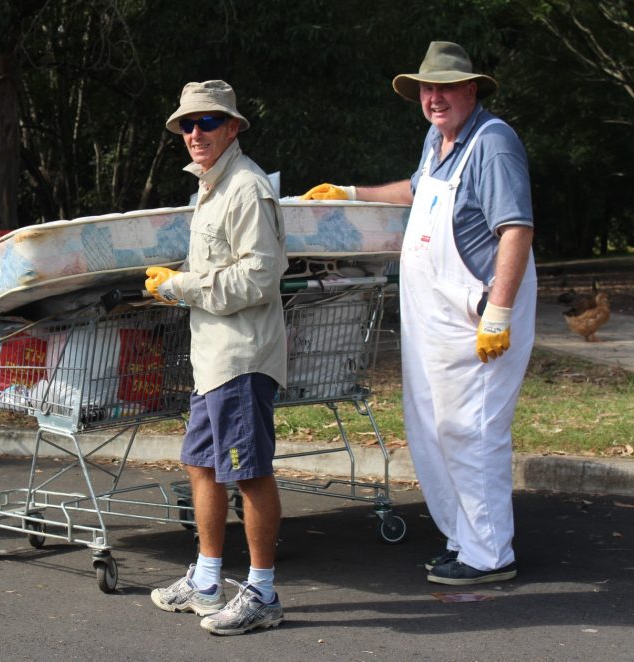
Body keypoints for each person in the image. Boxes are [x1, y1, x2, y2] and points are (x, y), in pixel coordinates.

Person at [302, 41, 537, 585]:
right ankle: (463, 539)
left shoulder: (493, 143)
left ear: (471, 90)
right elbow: (416, 188)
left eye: (446, 87)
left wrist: (498, 312)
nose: (434, 98)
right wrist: (352, 193)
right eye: (427, 88)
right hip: (433, 316)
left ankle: (490, 555)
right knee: (430, 426)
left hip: (476, 311)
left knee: (470, 429)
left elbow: (516, 229)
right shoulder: (438, 137)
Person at [145, 80, 288, 634]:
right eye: (187, 124)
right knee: (201, 464)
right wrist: (177, 284)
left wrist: (181, 285)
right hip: (214, 359)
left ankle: (262, 593)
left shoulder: (246, 188)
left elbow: (260, 274)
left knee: (247, 473)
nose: (196, 133)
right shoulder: (213, 187)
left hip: (242, 356)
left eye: (208, 122)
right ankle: (207, 580)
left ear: (233, 127)